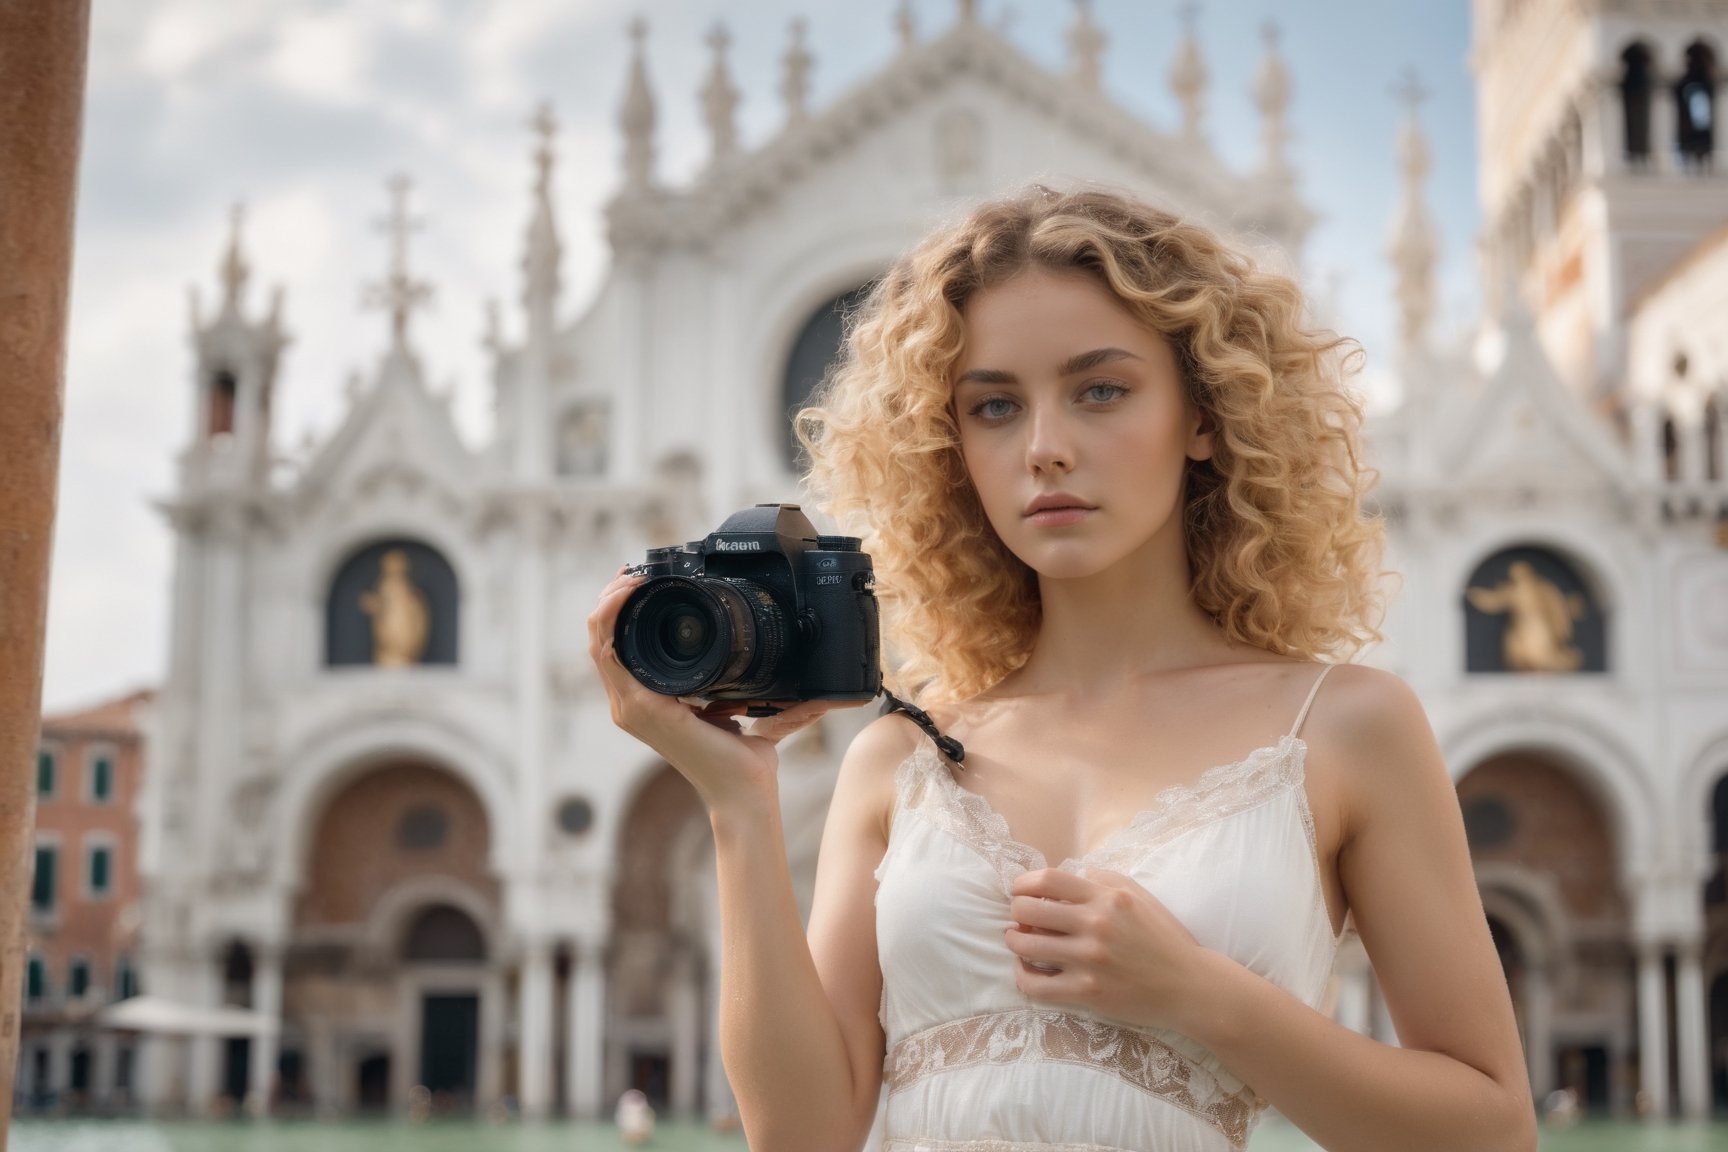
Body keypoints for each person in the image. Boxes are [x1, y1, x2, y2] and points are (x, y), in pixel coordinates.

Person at [588, 185, 1536, 1151]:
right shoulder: (898, 761)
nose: (1044, 449)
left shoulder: (1346, 728)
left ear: (1204, 416)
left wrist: (1202, 996)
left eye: (1100, 390)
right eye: (994, 406)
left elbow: (1495, 1131)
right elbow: (802, 1137)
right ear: (953, 448)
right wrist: (737, 806)